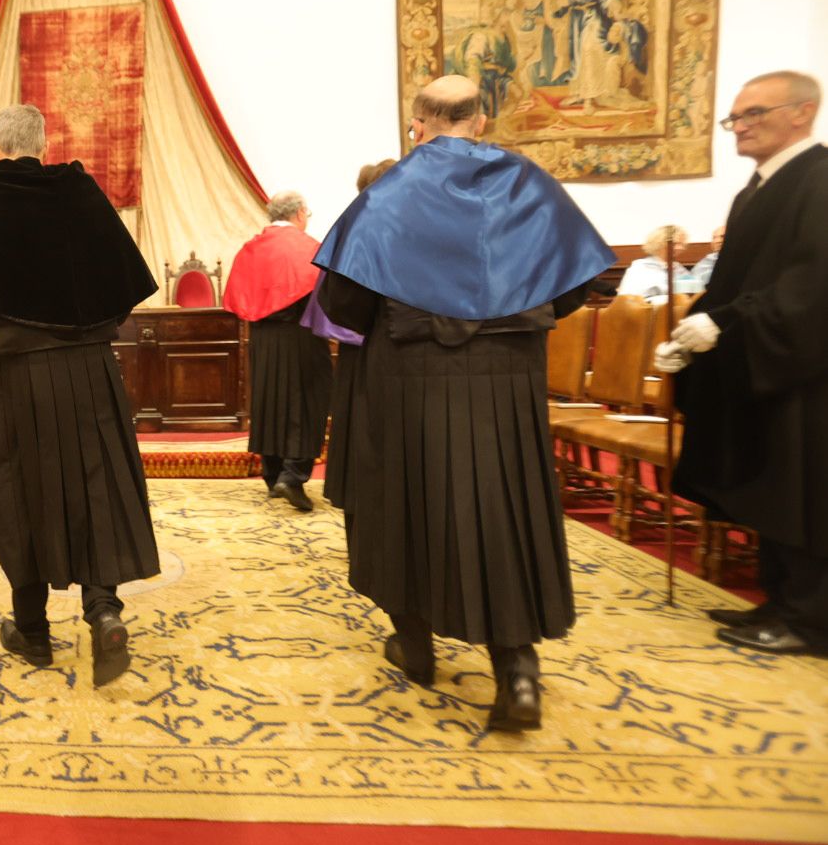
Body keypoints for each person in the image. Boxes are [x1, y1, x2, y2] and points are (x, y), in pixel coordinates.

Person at [315, 76, 613, 731]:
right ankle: (518, 674)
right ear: (481, 121)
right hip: (506, 384)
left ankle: (415, 646)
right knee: (504, 508)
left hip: (409, 378)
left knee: (405, 504)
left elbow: (343, 307)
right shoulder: (529, 184)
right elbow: (573, 291)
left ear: (416, 123)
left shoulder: (387, 196)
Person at [0, 104, 160, 689]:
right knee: (95, 482)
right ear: (43, 143)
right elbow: (126, 287)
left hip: (15, 378)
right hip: (89, 371)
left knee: (20, 488)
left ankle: (31, 631)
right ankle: (104, 610)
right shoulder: (80, 193)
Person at [658, 70, 828, 657]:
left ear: (802, 113)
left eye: (754, 113)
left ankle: (810, 619)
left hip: (805, 373)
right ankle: (781, 601)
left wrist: (728, 324)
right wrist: (695, 326)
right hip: (763, 363)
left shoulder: (821, 179)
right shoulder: (757, 187)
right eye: (735, 117)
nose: (741, 127)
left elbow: (810, 285)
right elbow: (738, 278)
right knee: (771, 486)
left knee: (802, 494)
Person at [222, 190, 331, 511]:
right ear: (299, 214)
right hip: (302, 336)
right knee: (307, 400)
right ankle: (293, 476)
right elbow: (327, 293)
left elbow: (238, 296)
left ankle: (272, 476)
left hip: (262, 339)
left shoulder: (251, 249)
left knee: (269, 401)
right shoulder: (307, 246)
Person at [311, 158, 394, 510]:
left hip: (359, 344)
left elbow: (336, 298)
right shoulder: (383, 226)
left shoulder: (354, 225)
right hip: (383, 347)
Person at [616, 225, 695, 298]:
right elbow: (631, 296)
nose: (680, 248)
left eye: (682, 244)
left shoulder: (678, 268)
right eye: (675, 244)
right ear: (659, 244)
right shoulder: (640, 267)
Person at [691, 224, 724, 289]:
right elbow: (693, 282)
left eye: (722, 236)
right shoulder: (707, 260)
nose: (717, 241)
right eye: (714, 238)